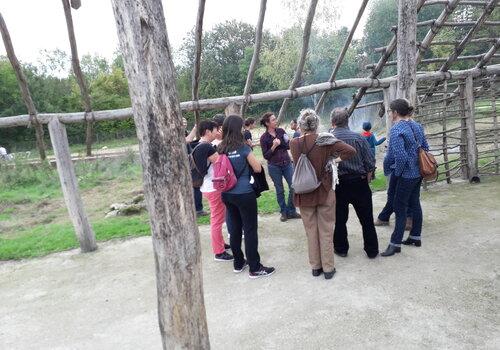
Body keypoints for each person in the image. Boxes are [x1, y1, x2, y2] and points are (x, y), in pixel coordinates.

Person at [290, 109, 356, 279]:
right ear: (317, 124)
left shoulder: (293, 143)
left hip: (303, 193)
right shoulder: (325, 140)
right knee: (326, 230)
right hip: (324, 190)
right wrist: (333, 160)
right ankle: (328, 268)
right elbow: (350, 151)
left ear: (300, 125)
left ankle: (315, 267)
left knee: (310, 231)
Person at [218, 115, 275, 278]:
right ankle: (255, 267)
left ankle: (238, 262)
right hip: (244, 193)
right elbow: (257, 168)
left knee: (234, 229)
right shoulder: (243, 148)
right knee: (249, 230)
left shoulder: (220, 148)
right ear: (238, 128)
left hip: (226, 194)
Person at [380, 98, 429, 257]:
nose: (389, 114)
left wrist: (398, 173)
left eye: (389, 111)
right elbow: (425, 148)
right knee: (415, 203)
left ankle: (395, 244)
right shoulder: (417, 126)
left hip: (406, 175)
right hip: (418, 173)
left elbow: (399, 157)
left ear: (395, 113)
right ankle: (415, 237)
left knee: (399, 206)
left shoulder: (396, 129)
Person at [330, 108, 379, 259]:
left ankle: (341, 249)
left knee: (339, 219)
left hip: (339, 185)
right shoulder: (359, 138)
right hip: (359, 183)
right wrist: (367, 180)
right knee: (367, 219)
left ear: (333, 122)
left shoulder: (328, 139)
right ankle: (372, 250)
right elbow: (370, 163)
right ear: (348, 121)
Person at [193, 120, 234, 262]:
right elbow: (221, 163)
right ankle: (219, 252)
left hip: (207, 186)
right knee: (217, 220)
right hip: (213, 187)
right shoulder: (207, 147)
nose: (218, 132)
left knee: (218, 218)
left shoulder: (199, 145)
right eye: (216, 130)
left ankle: (221, 244)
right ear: (208, 131)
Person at [259, 112, 300, 222]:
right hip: (274, 167)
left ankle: (291, 210)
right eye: (273, 120)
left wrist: (280, 142)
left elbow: (288, 145)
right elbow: (266, 155)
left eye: (275, 119)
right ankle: (283, 212)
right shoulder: (264, 138)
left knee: (294, 185)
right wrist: (273, 146)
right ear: (267, 123)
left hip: (287, 163)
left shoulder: (281, 131)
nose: (276, 121)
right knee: (279, 190)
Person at [183, 117, 207, 217]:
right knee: (195, 186)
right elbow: (187, 140)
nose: (184, 122)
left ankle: (196, 209)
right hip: (184, 164)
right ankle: (198, 210)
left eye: (185, 121)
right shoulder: (175, 133)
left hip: (189, 161)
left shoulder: (184, 132)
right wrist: (195, 128)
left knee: (195, 186)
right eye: (182, 121)